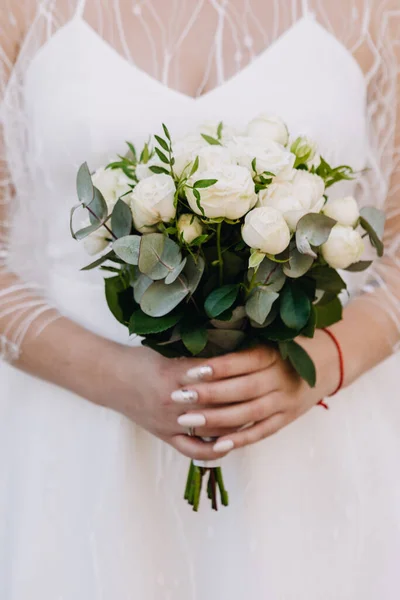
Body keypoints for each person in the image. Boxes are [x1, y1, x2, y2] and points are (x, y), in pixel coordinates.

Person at [0, 1, 399, 598]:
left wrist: (321, 368)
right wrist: (120, 380)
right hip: (78, 442)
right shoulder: (22, 14)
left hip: (312, 444)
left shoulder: (375, 13)